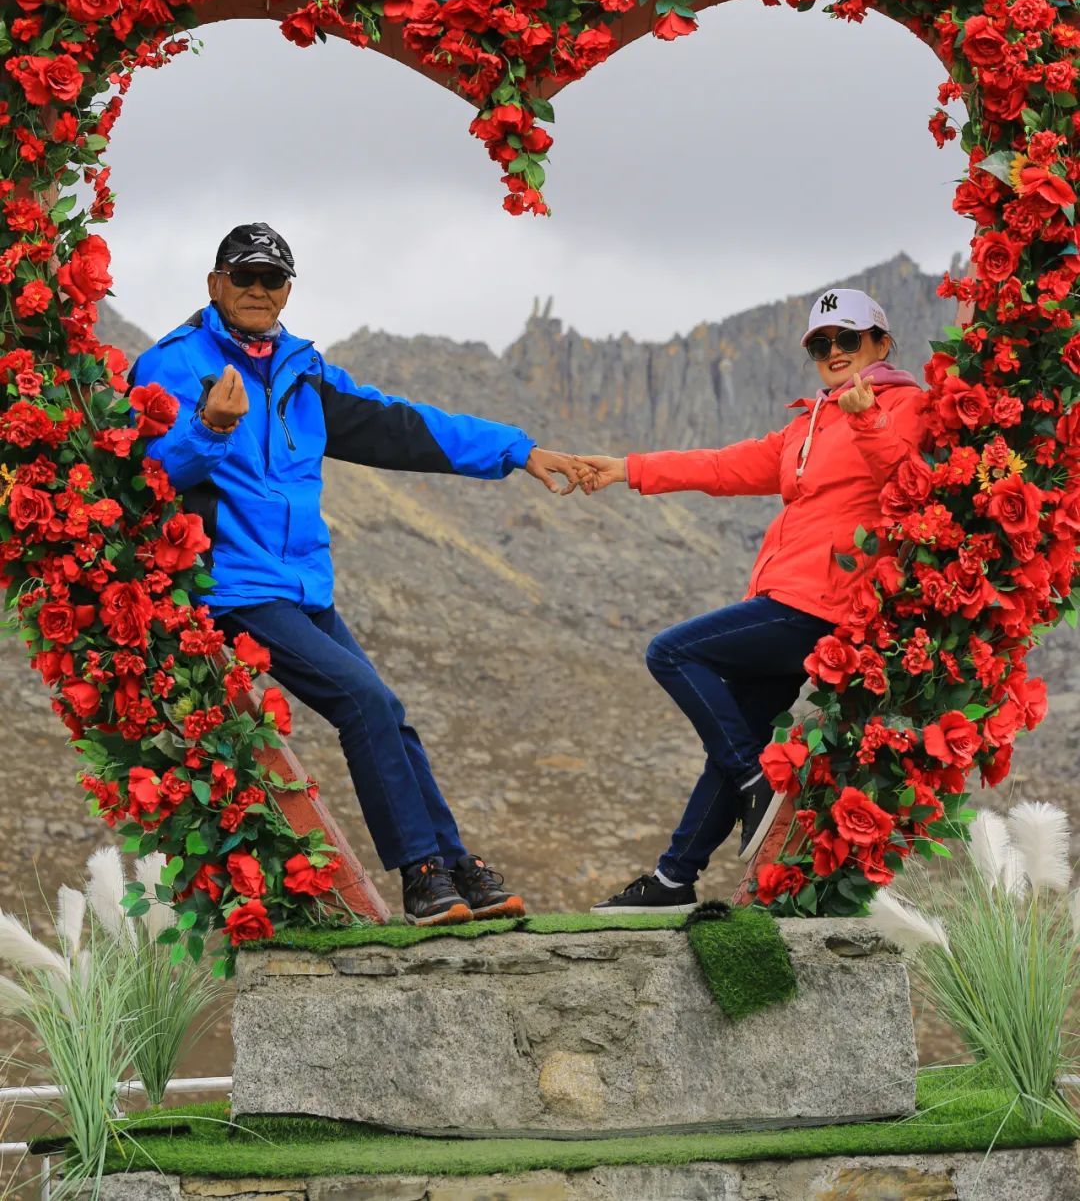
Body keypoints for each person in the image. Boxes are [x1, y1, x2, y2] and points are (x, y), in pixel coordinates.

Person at [130, 222, 587, 927]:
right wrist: (210, 429)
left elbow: (404, 428)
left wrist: (519, 452)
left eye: (272, 279)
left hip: (302, 587)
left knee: (390, 715)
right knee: (363, 701)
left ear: (287, 291)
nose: (257, 290)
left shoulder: (302, 372)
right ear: (215, 284)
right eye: (243, 276)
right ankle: (421, 875)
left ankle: (455, 862)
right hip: (232, 588)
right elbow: (148, 476)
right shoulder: (173, 364)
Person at [581, 288, 926, 913]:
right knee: (732, 738)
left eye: (847, 339)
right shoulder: (807, 424)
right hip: (789, 597)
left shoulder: (903, 404)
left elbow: (913, 485)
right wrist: (627, 468)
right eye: (821, 344)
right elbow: (722, 466)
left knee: (671, 654)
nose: (833, 353)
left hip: (825, 605)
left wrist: (870, 420)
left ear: (880, 342)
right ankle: (673, 878)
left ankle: (753, 781)